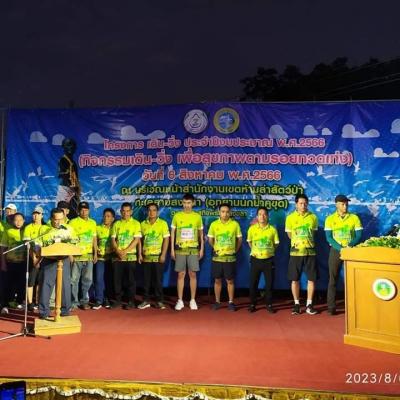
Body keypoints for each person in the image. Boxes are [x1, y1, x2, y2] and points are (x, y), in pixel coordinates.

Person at [35, 208, 78, 319]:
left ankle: (65, 311)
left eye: (61, 219)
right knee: (46, 285)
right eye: (56, 219)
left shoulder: (68, 229)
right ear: (51, 219)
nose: (58, 222)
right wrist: (38, 251)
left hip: (63, 260)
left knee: (65, 286)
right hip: (49, 260)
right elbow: (37, 244)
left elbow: (75, 242)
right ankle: (44, 312)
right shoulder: (45, 229)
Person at [324, 194, 363, 315]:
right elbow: (329, 237)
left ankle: (353, 307)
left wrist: (349, 246)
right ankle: (331, 307)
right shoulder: (330, 219)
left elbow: (359, 235)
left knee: (352, 279)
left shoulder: (354, 218)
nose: (345, 206)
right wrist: (341, 248)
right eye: (343, 204)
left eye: (346, 204)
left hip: (351, 251)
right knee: (333, 279)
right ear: (336, 204)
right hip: (336, 251)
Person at [285, 193, 319, 315]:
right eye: (300, 203)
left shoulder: (313, 217)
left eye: (305, 203)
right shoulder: (290, 218)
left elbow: (313, 233)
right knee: (295, 279)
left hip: (310, 252)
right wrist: (298, 243)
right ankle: (296, 304)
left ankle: (309, 304)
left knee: (312, 279)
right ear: (296, 204)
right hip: (296, 253)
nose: (303, 206)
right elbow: (289, 234)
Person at [171, 193, 204, 311]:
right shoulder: (177, 216)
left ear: (193, 203)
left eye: (189, 203)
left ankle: (192, 300)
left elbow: (201, 235)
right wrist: (172, 249)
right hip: (180, 249)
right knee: (181, 274)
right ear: (182, 203)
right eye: (184, 203)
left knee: (192, 274)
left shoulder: (197, 217)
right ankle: (180, 300)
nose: (186, 205)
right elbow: (173, 233)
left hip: (193, 249)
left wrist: (202, 249)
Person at [207, 203, 242, 311]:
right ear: (219, 212)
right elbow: (210, 239)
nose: (225, 214)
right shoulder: (214, 224)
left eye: (227, 212)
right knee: (217, 280)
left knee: (230, 281)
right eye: (223, 211)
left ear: (230, 212)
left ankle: (231, 302)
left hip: (230, 258)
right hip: (217, 258)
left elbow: (239, 239)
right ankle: (217, 302)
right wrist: (215, 248)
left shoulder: (235, 224)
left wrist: (235, 250)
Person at [247, 207, 279, 313]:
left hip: (268, 260)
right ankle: (252, 304)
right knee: (253, 283)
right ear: (257, 216)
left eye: (264, 214)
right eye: (260, 214)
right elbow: (249, 242)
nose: (262, 216)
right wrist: (255, 250)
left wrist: (268, 251)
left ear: (268, 216)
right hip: (255, 259)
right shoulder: (252, 229)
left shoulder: (272, 229)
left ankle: (269, 304)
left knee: (269, 284)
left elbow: (276, 244)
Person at [138, 203, 170, 310]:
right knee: (146, 281)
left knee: (158, 281)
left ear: (157, 212)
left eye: (154, 210)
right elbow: (140, 241)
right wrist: (140, 254)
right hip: (146, 257)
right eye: (149, 210)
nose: (151, 212)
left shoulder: (163, 224)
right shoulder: (142, 224)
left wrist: (163, 254)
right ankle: (145, 300)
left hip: (158, 257)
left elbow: (166, 240)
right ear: (147, 212)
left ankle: (159, 301)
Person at [111, 202, 142, 309]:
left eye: (128, 211)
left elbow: (136, 240)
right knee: (117, 280)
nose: (125, 213)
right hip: (118, 257)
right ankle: (117, 300)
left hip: (130, 256)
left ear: (131, 212)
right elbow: (113, 239)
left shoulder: (136, 224)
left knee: (131, 280)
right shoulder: (116, 224)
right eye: (123, 211)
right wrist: (118, 250)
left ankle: (130, 301)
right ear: (120, 212)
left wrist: (125, 251)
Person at [69, 201, 97, 310]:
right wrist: (71, 255)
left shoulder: (93, 223)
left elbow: (94, 238)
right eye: (82, 210)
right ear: (78, 211)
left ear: (89, 210)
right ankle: (74, 302)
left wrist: (95, 253)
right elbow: (69, 239)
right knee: (73, 280)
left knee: (88, 280)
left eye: (86, 210)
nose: (84, 212)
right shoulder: (73, 222)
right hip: (76, 256)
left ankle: (84, 301)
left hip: (89, 256)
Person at [1, 213, 26, 309]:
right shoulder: (8, 232)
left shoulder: (26, 231)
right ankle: (6, 304)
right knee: (9, 284)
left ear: (24, 221)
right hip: (10, 263)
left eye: (20, 220)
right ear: (12, 221)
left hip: (23, 263)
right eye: (16, 220)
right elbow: (3, 249)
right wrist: (3, 264)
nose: (18, 222)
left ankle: (19, 302)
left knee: (22, 284)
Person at [92, 208, 115, 310]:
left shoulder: (115, 228)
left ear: (113, 218)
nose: (106, 218)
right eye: (105, 216)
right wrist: (95, 250)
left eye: (108, 216)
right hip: (100, 259)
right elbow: (94, 241)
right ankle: (98, 300)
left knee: (109, 279)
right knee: (98, 279)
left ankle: (107, 299)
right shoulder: (97, 228)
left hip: (111, 259)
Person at [23, 206, 44, 311]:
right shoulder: (28, 228)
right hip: (32, 258)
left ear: (42, 215)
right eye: (34, 214)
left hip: (44, 258)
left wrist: (41, 259)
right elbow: (28, 245)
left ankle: (38, 301)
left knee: (41, 281)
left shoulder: (46, 228)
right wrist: (35, 259)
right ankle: (30, 302)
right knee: (31, 281)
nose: (35, 216)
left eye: (38, 214)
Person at [56, 138, 81, 218]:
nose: (70, 148)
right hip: (65, 188)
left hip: (73, 189)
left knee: (74, 211)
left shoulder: (73, 162)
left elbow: (75, 177)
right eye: (68, 146)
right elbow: (61, 174)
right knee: (61, 211)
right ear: (64, 147)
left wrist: (77, 188)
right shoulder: (63, 160)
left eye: (72, 146)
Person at [0, 203, 18, 313]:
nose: (8, 213)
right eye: (7, 211)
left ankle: (10, 302)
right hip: (3, 257)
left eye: (11, 211)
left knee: (12, 282)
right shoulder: (1, 224)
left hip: (14, 260)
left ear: (15, 212)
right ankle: (3, 304)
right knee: (3, 282)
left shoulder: (19, 226)